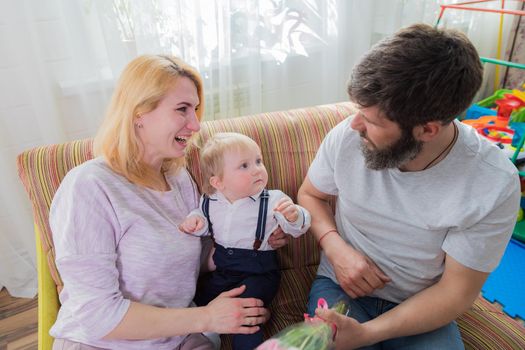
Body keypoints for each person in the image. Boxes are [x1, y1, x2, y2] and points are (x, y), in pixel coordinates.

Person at [297, 23, 521, 350]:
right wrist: (335, 247)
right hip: (340, 289)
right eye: (359, 111)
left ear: (427, 130)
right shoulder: (347, 136)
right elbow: (310, 195)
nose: (354, 125)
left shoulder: (491, 184)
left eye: (372, 121)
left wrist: (367, 334)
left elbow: (455, 293)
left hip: (422, 306)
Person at [49, 55, 287, 350]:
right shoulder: (89, 187)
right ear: (139, 113)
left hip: (179, 338)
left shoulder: (178, 179)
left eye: (196, 110)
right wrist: (208, 318)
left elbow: (190, 260)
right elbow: (96, 316)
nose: (196, 125)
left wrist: (250, 238)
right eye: (182, 110)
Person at [179, 132, 311, 349]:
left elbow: (298, 228)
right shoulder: (210, 201)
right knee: (201, 301)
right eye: (244, 166)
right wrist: (195, 223)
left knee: (247, 311)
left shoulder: (273, 200)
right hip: (224, 270)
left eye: (258, 161)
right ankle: (208, 336)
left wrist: (295, 216)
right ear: (218, 182)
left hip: (258, 273)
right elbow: (203, 222)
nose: (257, 169)